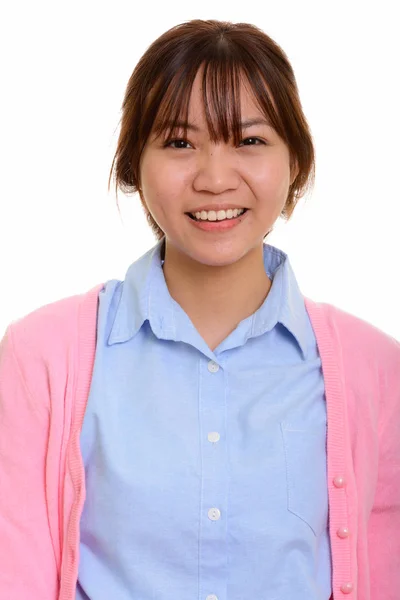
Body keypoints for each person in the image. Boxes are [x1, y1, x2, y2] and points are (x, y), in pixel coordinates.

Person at [0, 18, 399, 600]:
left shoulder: (376, 371)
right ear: (135, 164)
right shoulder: (42, 358)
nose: (214, 179)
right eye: (180, 143)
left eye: (250, 141)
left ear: (296, 164)